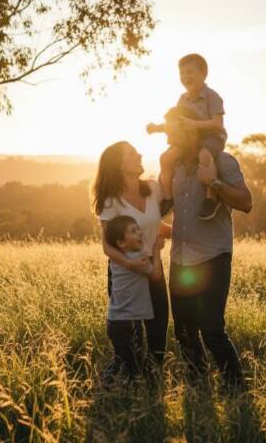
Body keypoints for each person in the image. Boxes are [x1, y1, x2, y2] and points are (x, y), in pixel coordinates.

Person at [161, 106, 253, 391]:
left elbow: (246, 202)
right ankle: (198, 390)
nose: (170, 138)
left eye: (175, 130)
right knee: (185, 332)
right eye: (168, 131)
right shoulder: (173, 165)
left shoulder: (221, 161)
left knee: (212, 331)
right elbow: (163, 208)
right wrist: (164, 169)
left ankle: (237, 391)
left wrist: (212, 182)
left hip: (213, 257)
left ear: (194, 127)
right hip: (181, 261)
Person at [92, 141, 170, 370]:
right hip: (126, 274)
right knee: (132, 336)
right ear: (119, 165)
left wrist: (186, 234)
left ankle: (153, 380)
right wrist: (131, 264)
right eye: (132, 153)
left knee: (158, 325)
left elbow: (155, 225)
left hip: (153, 268)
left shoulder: (153, 189)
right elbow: (107, 245)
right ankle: (128, 385)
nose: (139, 155)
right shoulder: (111, 201)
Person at [147, 53, 227, 221]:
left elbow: (218, 124)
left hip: (211, 137)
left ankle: (211, 198)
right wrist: (157, 128)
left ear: (203, 74)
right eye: (182, 73)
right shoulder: (182, 99)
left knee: (205, 154)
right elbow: (177, 125)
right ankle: (168, 198)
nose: (185, 77)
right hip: (188, 140)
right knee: (166, 158)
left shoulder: (212, 96)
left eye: (190, 72)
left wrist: (196, 125)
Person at [101, 215, 165, 381]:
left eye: (138, 229)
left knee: (126, 360)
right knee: (127, 364)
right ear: (121, 243)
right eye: (133, 231)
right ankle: (108, 387)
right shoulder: (138, 260)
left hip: (119, 320)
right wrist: (156, 250)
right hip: (123, 322)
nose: (140, 233)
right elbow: (156, 275)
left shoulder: (120, 259)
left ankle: (120, 389)